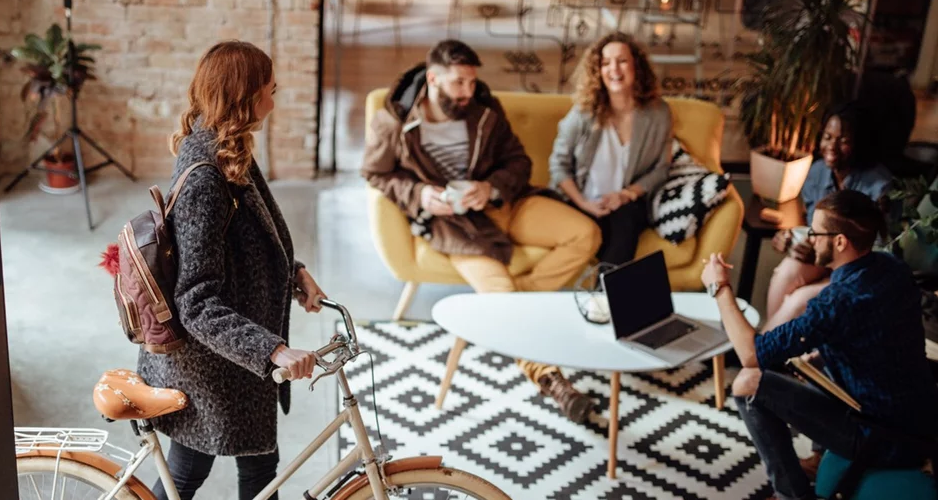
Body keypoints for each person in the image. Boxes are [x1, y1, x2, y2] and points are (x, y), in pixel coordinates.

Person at [361, 39, 602, 422]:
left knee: (585, 234)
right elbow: (375, 173)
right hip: (455, 225)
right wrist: (420, 194)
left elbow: (518, 161)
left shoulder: (485, 109)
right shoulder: (395, 119)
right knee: (500, 292)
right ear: (433, 78)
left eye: (472, 83)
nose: (467, 92)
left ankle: (508, 308)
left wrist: (490, 188)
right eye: (458, 83)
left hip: (503, 204)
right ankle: (553, 381)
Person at [138, 41, 326, 500]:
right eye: (269, 90)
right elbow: (195, 301)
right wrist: (273, 351)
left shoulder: (229, 148)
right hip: (209, 366)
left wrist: (294, 272)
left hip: (237, 362)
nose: (273, 101)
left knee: (262, 468)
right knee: (184, 475)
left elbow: (243, 242)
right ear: (243, 98)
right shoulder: (207, 174)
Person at [701, 190, 938, 500]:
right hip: (919, 417)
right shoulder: (891, 268)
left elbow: (750, 355)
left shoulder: (839, 302)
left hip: (881, 435)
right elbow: (874, 339)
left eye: (816, 232)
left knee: (747, 384)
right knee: (812, 362)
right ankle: (816, 460)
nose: (810, 238)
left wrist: (719, 287)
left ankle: (793, 494)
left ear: (840, 241)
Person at [765, 102, 894, 331]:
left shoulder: (879, 187)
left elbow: (878, 253)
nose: (831, 146)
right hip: (826, 260)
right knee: (785, 272)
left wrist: (824, 255)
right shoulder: (817, 172)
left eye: (843, 141)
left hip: (860, 272)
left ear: (860, 143)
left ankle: (763, 352)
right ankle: (772, 353)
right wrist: (791, 239)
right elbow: (810, 226)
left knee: (798, 301)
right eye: (827, 137)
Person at [549, 31, 673, 266]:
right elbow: (558, 166)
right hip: (582, 202)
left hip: (627, 203)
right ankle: (607, 296)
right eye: (606, 63)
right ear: (598, 71)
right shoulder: (583, 113)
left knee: (625, 223)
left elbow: (661, 169)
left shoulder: (658, 114)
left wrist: (625, 195)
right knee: (593, 232)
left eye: (622, 61)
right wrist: (583, 203)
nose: (614, 69)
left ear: (637, 66)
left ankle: (602, 299)